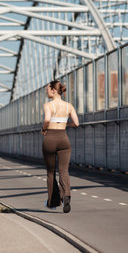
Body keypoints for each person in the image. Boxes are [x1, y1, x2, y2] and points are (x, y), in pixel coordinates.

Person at [41, 80, 79, 213]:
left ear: (53, 90)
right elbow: (76, 123)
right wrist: (66, 125)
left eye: (47, 89)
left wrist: (44, 129)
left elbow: (46, 119)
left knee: (51, 172)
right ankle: (66, 196)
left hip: (50, 138)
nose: (46, 91)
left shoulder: (48, 105)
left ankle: (53, 202)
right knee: (64, 170)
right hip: (64, 139)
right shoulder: (69, 106)